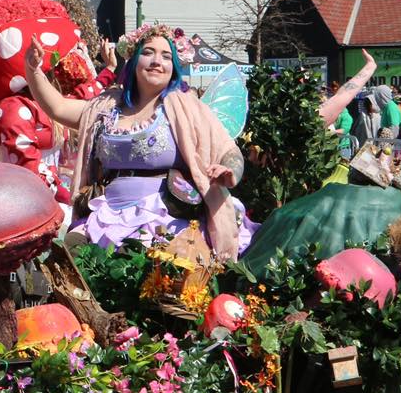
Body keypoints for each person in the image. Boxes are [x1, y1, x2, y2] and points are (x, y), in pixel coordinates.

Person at [26, 26, 245, 260]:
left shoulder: (188, 107)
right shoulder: (105, 106)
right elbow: (57, 107)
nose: (156, 61)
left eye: (166, 56)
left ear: (174, 68)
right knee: (74, 256)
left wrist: (229, 170)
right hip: (106, 215)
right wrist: (33, 69)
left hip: (168, 218)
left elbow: (229, 152)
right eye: (148, 52)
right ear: (133, 59)